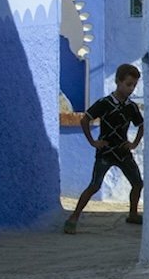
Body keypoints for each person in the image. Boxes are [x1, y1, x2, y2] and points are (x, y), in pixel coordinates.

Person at [62, 63, 144, 234]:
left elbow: (141, 124)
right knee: (95, 185)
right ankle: (73, 217)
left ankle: (133, 214)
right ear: (118, 82)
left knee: (137, 183)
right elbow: (85, 120)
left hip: (122, 151)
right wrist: (93, 141)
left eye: (134, 85)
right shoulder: (104, 103)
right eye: (128, 84)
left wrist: (134, 143)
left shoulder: (131, 107)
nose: (131, 89)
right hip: (106, 151)